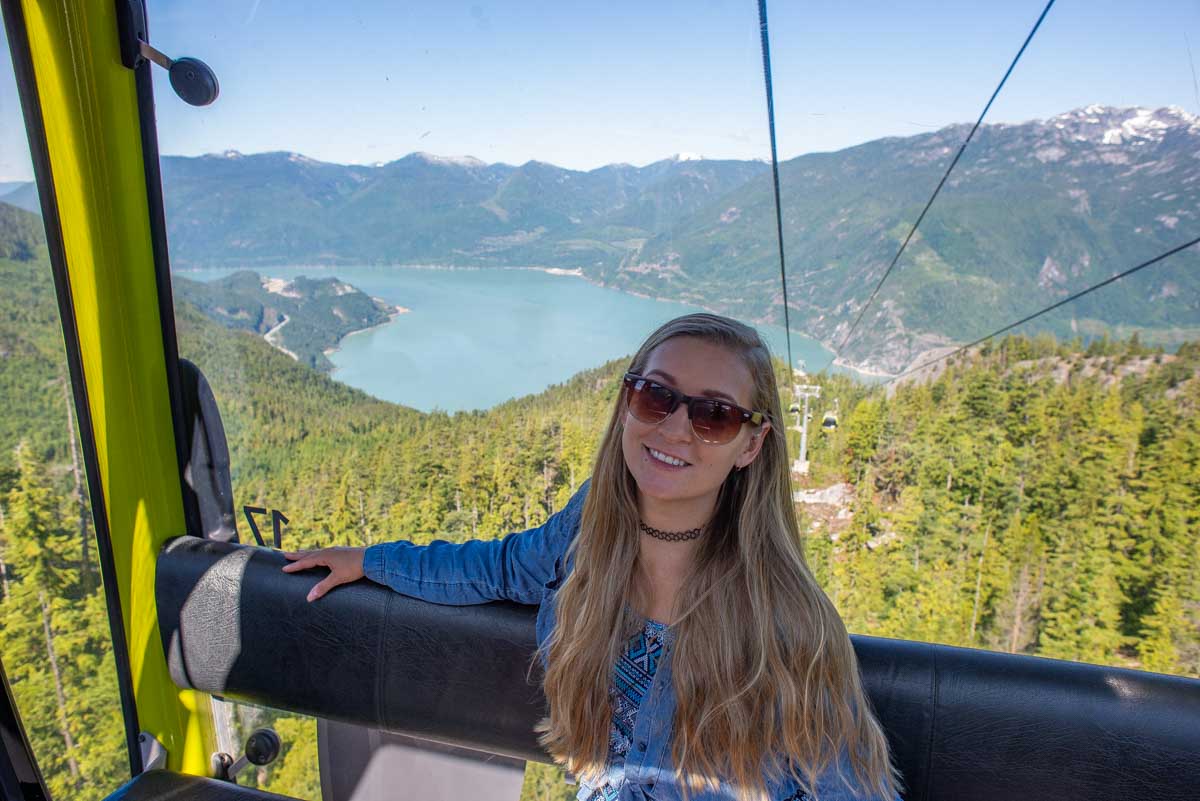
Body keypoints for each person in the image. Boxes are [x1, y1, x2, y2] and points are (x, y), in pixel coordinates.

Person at [282, 313, 901, 801]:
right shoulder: (585, 535)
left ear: (752, 443)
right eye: (656, 397)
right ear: (627, 404)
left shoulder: (789, 624)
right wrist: (371, 560)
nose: (675, 429)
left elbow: (848, 790)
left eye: (714, 415)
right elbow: (497, 567)